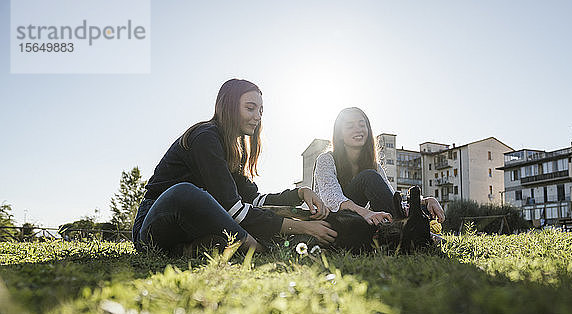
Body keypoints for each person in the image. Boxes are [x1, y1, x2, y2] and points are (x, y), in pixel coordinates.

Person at [132, 79, 336, 254]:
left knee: (236, 219)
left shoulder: (235, 150)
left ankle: (191, 249)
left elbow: (255, 200)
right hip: (153, 226)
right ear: (229, 107)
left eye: (260, 110)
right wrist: (304, 228)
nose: (258, 116)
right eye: (250, 108)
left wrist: (299, 193)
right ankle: (255, 247)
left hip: (192, 227)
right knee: (185, 193)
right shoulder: (206, 138)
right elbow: (233, 209)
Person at [313, 107, 445, 226]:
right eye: (350, 126)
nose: (358, 129)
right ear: (340, 135)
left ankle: (410, 228)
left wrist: (425, 201)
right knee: (368, 177)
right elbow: (332, 199)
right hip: (329, 220)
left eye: (361, 124)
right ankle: (410, 229)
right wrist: (366, 213)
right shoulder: (326, 160)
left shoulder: (374, 166)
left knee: (418, 209)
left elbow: (390, 198)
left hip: (356, 218)